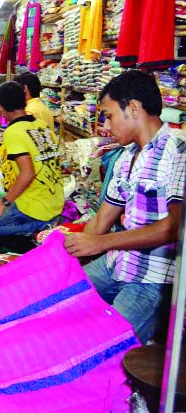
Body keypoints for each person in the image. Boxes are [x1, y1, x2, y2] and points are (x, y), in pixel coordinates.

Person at [64, 70, 185, 344]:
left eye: (108, 115)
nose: (105, 125)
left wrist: (101, 243)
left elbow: (175, 227)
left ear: (132, 108)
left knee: (102, 349)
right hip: (115, 264)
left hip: (151, 279)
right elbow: (102, 219)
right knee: (54, 300)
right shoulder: (125, 156)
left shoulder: (178, 152)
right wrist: (68, 250)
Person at [0, 81, 63, 236]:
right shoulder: (41, 125)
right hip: (56, 202)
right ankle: (45, 222)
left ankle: (40, 229)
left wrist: (2, 205)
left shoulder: (13, 131)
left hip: (37, 208)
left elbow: (27, 173)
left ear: (1, 107)